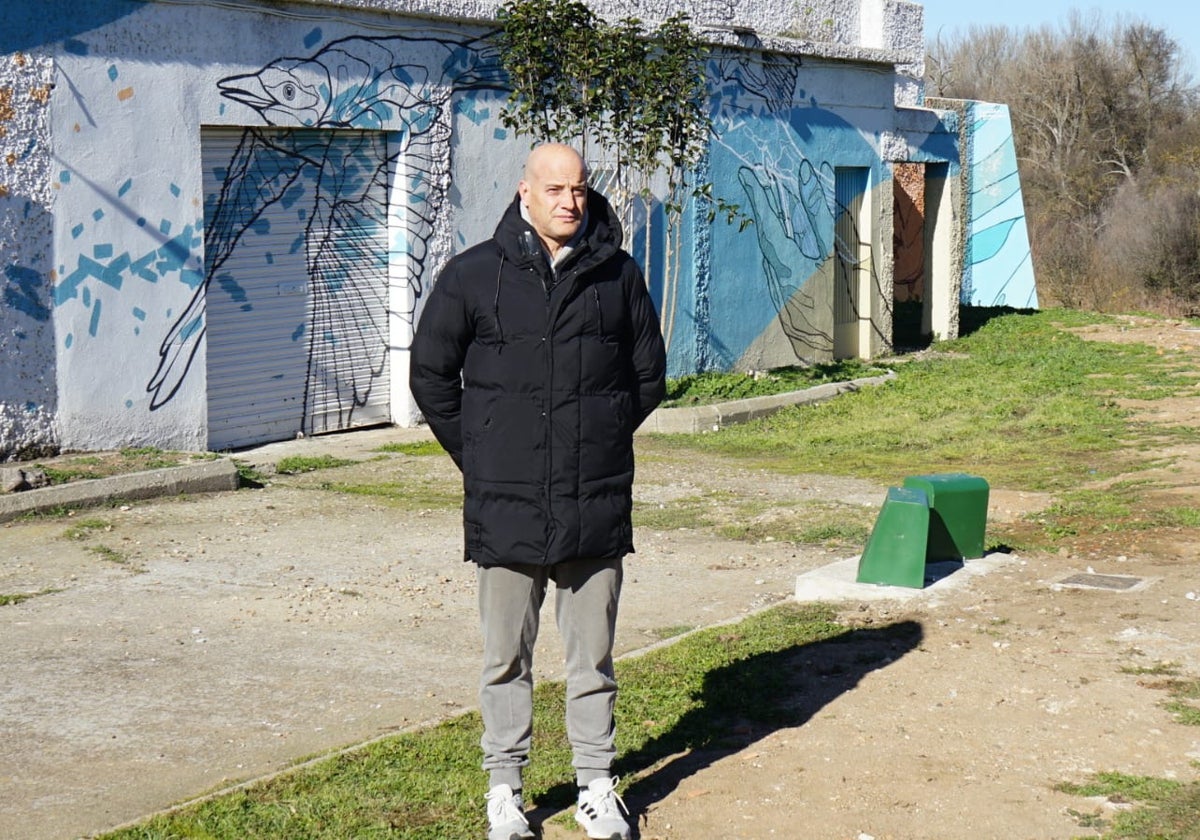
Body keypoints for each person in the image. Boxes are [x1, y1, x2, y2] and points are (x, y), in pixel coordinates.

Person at [409, 143, 667, 840]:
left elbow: (648, 379)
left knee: (592, 659)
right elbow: (431, 376)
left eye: (578, 189)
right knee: (505, 658)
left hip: (594, 502)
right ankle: (505, 791)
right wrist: (483, 454)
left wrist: (601, 439)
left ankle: (595, 785)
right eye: (554, 188)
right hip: (507, 504)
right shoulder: (472, 277)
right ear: (524, 192)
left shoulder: (618, 277)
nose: (568, 201)